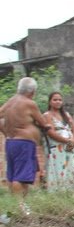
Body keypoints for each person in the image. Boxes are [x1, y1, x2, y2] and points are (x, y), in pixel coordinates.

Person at [0, 77, 54, 213]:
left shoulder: (10, 102)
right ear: (32, 91)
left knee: (13, 175)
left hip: (11, 142)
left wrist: (6, 131)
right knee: (21, 176)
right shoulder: (29, 103)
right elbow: (42, 122)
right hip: (24, 143)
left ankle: (16, 206)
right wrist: (46, 125)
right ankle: (20, 206)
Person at [42, 92, 74, 192]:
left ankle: (73, 196)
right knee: (58, 172)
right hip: (56, 149)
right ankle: (59, 197)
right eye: (55, 100)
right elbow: (51, 132)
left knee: (72, 171)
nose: (58, 102)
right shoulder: (47, 115)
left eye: (60, 100)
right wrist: (67, 141)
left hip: (70, 148)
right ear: (50, 102)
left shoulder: (66, 115)